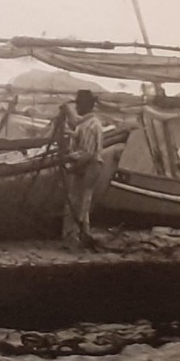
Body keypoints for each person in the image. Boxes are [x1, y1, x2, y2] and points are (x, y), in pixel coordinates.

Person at [62, 89, 107, 248]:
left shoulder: (90, 125)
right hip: (88, 164)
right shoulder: (89, 122)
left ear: (85, 105)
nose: (77, 108)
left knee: (78, 202)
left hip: (89, 165)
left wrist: (69, 162)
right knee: (83, 201)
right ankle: (82, 235)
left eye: (79, 104)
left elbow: (87, 153)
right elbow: (80, 136)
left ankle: (73, 238)